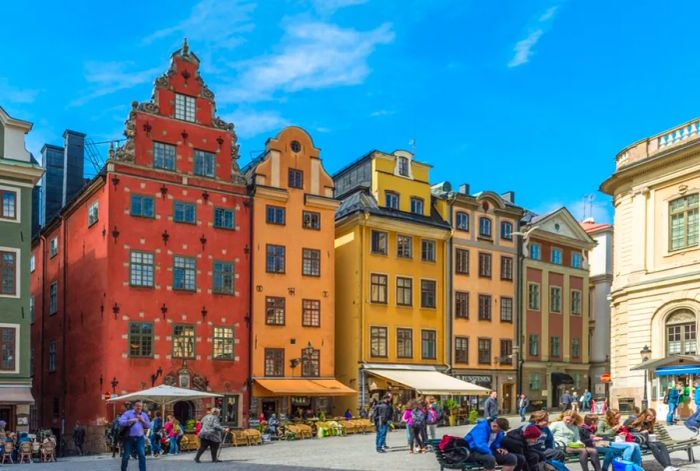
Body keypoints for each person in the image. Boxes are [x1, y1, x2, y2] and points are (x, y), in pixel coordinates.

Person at [118, 400, 151, 471]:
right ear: (134, 406)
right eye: (137, 406)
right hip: (128, 438)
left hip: (140, 438)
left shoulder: (144, 415)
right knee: (126, 456)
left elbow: (148, 425)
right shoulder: (128, 413)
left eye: (140, 406)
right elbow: (121, 422)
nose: (139, 407)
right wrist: (130, 420)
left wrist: (142, 420)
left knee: (142, 455)